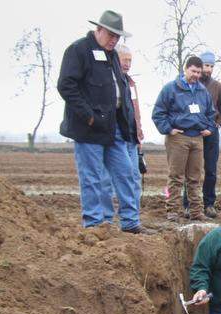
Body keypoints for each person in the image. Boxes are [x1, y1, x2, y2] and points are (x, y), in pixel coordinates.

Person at [57, 10, 144, 233]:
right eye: (110, 34)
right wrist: (88, 115)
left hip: (113, 126)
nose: (114, 40)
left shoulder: (113, 55)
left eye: (117, 36)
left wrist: (128, 124)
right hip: (88, 128)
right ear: (98, 29)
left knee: (126, 172)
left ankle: (130, 223)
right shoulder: (79, 50)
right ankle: (94, 224)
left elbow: (120, 89)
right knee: (93, 177)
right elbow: (66, 86)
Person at [152, 56, 216, 222]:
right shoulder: (171, 89)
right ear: (185, 69)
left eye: (199, 72)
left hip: (197, 138)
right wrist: (168, 129)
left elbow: (211, 113)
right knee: (176, 176)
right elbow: (158, 113)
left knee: (195, 178)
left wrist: (209, 128)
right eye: (193, 71)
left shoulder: (203, 91)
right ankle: (172, 210)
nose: (196, 75)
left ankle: (196, 212)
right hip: (178, 138)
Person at [181, 51, 221, 219]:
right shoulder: (191, 85)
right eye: (206, 65)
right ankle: (188, 205)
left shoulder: (217, 86)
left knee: (211, 170)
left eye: (211, 66)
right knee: (191, 170)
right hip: (193, 133)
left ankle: (209, 204)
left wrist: (217, 124)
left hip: (211, 133)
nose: (208, 69)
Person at [102, 44, 143, 227]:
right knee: (107, 180)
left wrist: (139, 133)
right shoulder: (109, 80)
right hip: (114, 136)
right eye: (124, 60)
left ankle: (131, 220)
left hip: (131, 137)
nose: (127, 64)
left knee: (133, 178)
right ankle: (106, 221)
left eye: (130, 61)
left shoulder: (130, 83)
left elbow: (135, 111)